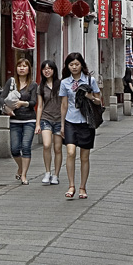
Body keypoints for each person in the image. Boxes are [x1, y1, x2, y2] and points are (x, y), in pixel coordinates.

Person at [58, 52, 102, 200]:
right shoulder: (65, 83)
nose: (74, 67)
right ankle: (71, 185)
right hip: (70, 121)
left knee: (84, 156)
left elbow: (99, 101)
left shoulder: (90, 80)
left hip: (86, 122)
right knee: (70, 152)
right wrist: (62, 125)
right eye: (71, 65)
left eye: (77, 64)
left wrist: (90, 97)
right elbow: (64, 104)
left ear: (82, 65)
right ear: (67, 66)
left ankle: (83, 187)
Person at [0, 57, 39, 185]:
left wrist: (23, 103)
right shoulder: (11, 82)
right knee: (15, 149)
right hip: (15, 120)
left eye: (24, 66)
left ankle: (24, 175)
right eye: (19, 66)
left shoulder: (33, 85)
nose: (22, 68)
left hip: (29, 119)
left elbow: (33, 102)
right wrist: (6, 108)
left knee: (26, 146)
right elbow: (2, 97)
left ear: (29, 69)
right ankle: (21, 167)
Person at [35, 59, 63, 186]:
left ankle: (56, 174)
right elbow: (40, 106)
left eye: (49, 68)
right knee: (46, 145)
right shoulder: (40, 87)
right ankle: (47, 172)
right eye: (44, 69)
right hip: (46, 118)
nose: (47, 71)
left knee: (57, 148)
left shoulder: (61, 84)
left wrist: (64, 122)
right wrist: (37, 124)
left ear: (54, 70)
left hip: (59, 119)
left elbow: (64, 104)